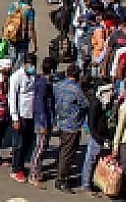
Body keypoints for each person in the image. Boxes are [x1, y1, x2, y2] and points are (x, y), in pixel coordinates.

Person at [51, 64, 88, 192]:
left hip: (61, 122)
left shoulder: (58, 86)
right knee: (67, 154)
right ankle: (62, 180)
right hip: (72, 126)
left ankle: (61, 175)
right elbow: (85, 104)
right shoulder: (77, 90)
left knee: (63, 151)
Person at [8, 52, 39, 184]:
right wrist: (15, 117)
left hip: (31, 114)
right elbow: (12, 98)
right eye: (30, 65)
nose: (32, 67)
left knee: (28, 142)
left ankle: (21, 165)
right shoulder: (16, 77)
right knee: (18, 144)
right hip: (20, 115)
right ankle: (16, 169)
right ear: (25, 64)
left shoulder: (33, 76)